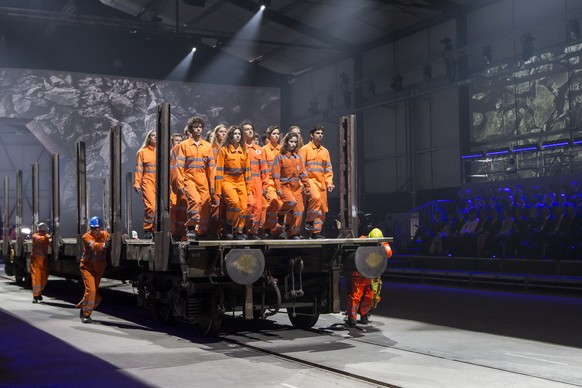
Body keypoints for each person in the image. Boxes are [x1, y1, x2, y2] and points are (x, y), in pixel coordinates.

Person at [173, 117, 216, 239]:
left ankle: (200, 232)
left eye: (200, 127)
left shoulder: (207, 146)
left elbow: (211, 167)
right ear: (191, 129)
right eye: (195, 127)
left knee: (205, 204)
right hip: (189, 177)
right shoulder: (184, 145)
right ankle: (191, 227)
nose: (198, 129)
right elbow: (179, 165)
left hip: (203, 179)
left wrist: (212, 184)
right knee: (195, 200)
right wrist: (180, 183)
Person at [346, 228, 391, 326]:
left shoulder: (383, 243)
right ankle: (351, 317)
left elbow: (389, 253)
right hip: (359, 273)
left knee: (370, 296)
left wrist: (382, 244)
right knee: (355, 296)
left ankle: (364, 314)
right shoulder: (363, 240)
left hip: (372, 275)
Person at [215, 125, 251, 239]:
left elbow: (248, 171)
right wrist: (218, 189)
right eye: (235, 134)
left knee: (244, 207)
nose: (237, 136)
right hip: (228, 180)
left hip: (240, 181)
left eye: (239, 134)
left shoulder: (244, 151)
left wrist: (248, 188)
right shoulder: (224, 150)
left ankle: (238, 232)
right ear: (230, 136)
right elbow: (219, 171)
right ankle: (229, 225)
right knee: (234, 203)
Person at [272, 132, 310, 239]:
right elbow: (276, 175)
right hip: (284, 186)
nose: (293, 144)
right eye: (291, 142)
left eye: (295, 142)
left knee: (299, 211)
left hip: (296, 187)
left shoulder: (298, 157)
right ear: (286, 142)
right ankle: (281, 214)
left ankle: (293, 233)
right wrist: (278, 188)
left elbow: (303, 173)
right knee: (291, 202)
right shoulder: (280, 157)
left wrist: (307, 186)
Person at [299, 125, 334, 239]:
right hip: (309, 180)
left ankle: (315, 232)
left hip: (322, 182)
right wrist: (302, 183)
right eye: (317, 133)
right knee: (316, 197)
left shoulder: (325, 151)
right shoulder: (305, 149)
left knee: (323, 208)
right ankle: (309, 221)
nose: (320, 135)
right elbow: (300, 167)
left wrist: (329, 183)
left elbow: (328, 169)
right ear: (311, 135)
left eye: (321, 133)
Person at [76, 216, 110, 324]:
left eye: (97, 228)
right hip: (87, 268)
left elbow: (111, 237)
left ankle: (83, 307)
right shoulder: (86, 237)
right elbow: (94, 246)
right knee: (91, 291)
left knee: (96, 296)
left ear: (100, 228)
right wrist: (105, 245)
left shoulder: (104, 234)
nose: (95, 230)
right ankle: (86, 315)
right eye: (93, 228)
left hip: (99, 269)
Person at [242, 122, 268, 239]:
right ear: (242, 132)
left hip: (257, 181)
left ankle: (253, 232)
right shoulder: (240, 148)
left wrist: (265, 185)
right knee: (248, 205)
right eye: (247, 129)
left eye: (251, 129)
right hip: (244, 181)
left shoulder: (259, 150)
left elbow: (264, 169)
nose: (250, 131)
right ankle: (242, 229)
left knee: (258, 207)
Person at [133, 129, 156, 239]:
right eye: (153, 135)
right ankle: (147, 228)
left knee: (162, 208)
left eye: (157, 135)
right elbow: (139, 169)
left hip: (161, 183)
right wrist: (137, 183)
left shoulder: (163, 151)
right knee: (151, 206)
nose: (155, 137)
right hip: (148, 182)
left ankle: (156, 230)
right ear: (149, 138)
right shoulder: (142, 152)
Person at [261, 125, 283, 238]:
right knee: (273, 200)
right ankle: (267, 227)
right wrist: (263, 185)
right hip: (269, 180)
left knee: (282, 204)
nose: (276, 136)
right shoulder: (264, 149)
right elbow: (263, 168)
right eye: (274, 134)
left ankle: (277, 230)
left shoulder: (282, 149)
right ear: (269, 136)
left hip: (280, 181)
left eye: (278, 134)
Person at [30, 222, 51, 303]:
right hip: (35, 261)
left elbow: (49, 242)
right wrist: (48, 237)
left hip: (43, 261)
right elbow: (39, 239)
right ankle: (35, 296)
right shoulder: (35, 236)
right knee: (36, 278)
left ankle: (39, 292)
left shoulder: (46, 236)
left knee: (44, 277)